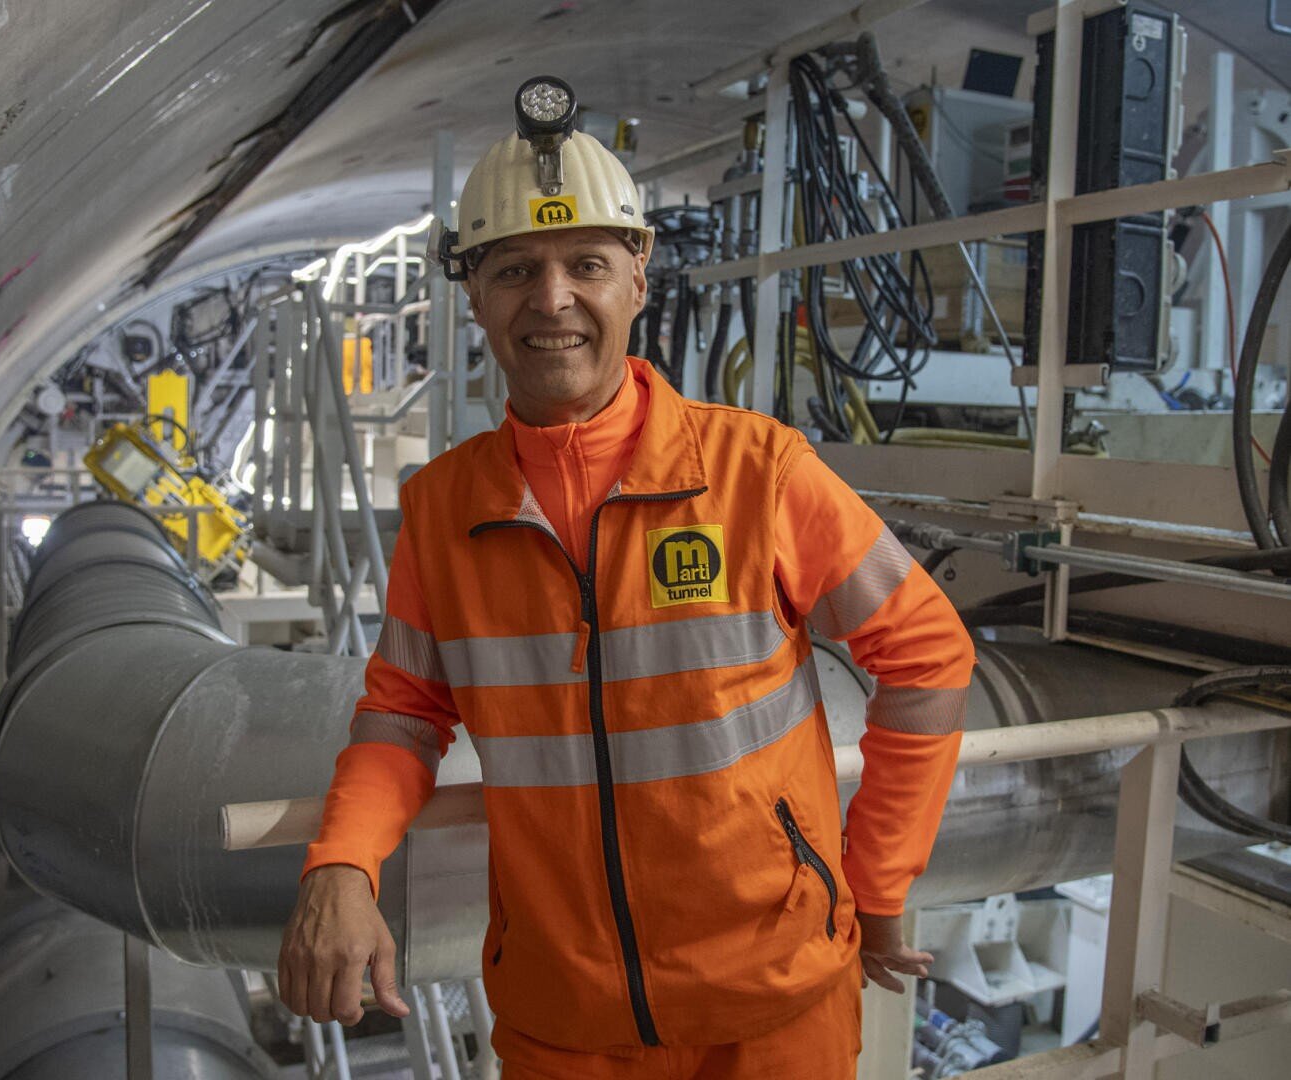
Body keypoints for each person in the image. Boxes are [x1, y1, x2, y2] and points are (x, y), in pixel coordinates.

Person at [279, 76, 975, 1079]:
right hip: (565, 1022)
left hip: (777, 1007)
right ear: (474, 296)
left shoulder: (759, 474)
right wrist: (342, 863)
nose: (551, 299)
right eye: (515, 269)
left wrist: (880, 879)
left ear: (638, 280)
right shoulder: (442, 511)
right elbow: (401, 717)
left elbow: (927, 654)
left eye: (587, 265)